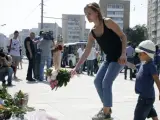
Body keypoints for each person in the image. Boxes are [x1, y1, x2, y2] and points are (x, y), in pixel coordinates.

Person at [71, 2, 127, 119]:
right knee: (97, 81)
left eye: (89, 13)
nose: (87, 16)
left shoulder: (108, 22)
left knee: (106, 82)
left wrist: (123, 54)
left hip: (118, 59)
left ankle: (106, 113)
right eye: (86, 14)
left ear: (97, 12)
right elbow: (86, 52)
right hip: (108, 59)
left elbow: (123, 36)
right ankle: (107, 108)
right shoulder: (92, 33)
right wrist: (76, 67)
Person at [134, 40, 160, 120]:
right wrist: (124, 63)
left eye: (140, 53)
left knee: (138, 116)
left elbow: (156, 79)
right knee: (151, 111)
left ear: (146, 54)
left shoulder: (151, 66)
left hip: (145, 98)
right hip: (146, 96)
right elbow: (134, 66)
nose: (138, 55)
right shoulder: (143, 63)